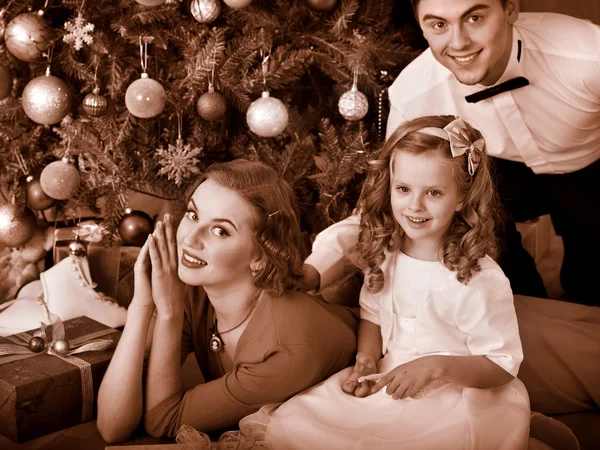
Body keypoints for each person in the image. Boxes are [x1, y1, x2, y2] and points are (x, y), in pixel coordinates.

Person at [235, 115, 531, 449]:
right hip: (391, 378)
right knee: (302, 422)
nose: (415, 205)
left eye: (433, 192)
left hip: (458, 393)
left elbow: (502, 365)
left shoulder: (479, 277)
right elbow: (373, 316)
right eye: (403, 189)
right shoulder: (387, 250)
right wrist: (366, 360)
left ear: (462, 197)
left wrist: (437, 368)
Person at [304, 0, 600, 305]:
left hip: (592, 166)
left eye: (474, 18)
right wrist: (317, 268)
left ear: (510, 9)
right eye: (439, 24)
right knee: (491, 265)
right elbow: (384, 205)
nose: (458, 43)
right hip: (495, 176)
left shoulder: (589, 55)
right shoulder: (413, 94)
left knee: (589, 279)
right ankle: (524, 311)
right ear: (421, 26)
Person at [96, 159, 358, 443]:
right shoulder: (195, 289)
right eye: (194, 215)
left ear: (259, 256)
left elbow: (163, 420)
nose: (191, 239)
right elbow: (112, 426)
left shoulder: (288, 347)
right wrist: (141, 306)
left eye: (220, 230)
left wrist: (169, 313)